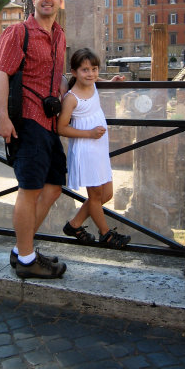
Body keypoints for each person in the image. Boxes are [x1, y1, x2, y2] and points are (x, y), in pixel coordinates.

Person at [0, 0, 67, 279]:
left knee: (53, 187)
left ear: (60, 1)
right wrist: (2, 117)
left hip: (50, 123)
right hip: (26, 121)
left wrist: (95, 81)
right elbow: (1, 74)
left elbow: (59, 78)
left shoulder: (60, 36)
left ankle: (22, 249)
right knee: (29, 190)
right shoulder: (18, 32)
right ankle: (26, 259)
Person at [57, 48, 131, 248]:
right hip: (86, 149)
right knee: (96, 196)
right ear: (74, 72)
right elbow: (61, 128)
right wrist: (89, 134)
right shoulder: (72, 98)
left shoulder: (93, 84)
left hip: (98, 147)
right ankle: (106, 234)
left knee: (107, 194)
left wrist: (111, 82)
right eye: (85, 70)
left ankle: (74, 225)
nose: (90, 74)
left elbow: (97, 82)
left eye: (94, 69)